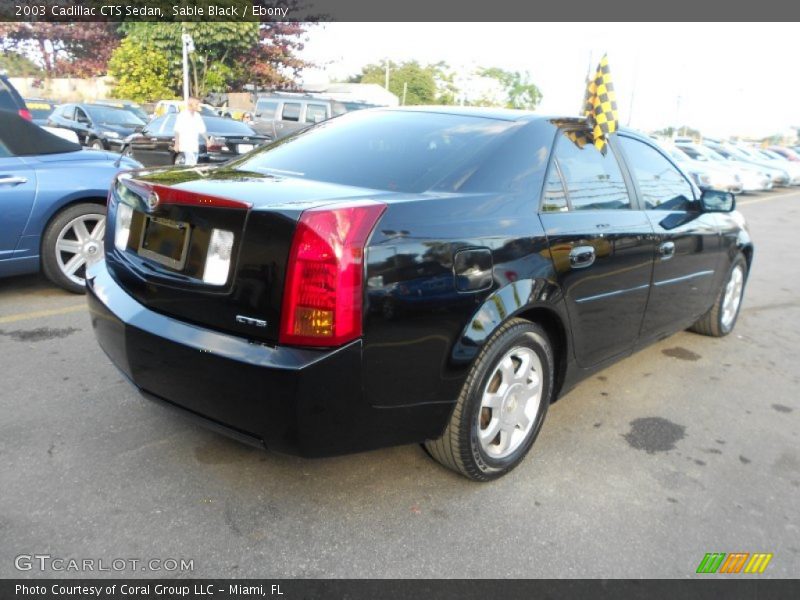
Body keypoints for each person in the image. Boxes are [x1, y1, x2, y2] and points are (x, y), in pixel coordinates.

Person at [173, 98, 207, 166]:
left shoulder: (197, 116)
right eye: (196, 104)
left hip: (194, 146)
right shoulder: (182, 115)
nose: (198, 106)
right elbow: (177, 130)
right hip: (186, 146)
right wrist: (177, 144)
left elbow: (202, 129)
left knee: (193, 165)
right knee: (190, 165)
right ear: (190, 105)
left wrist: (207, 140)